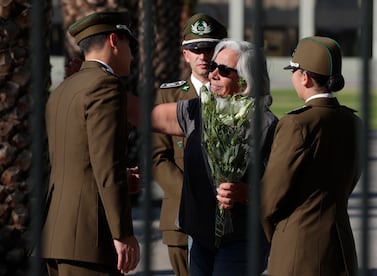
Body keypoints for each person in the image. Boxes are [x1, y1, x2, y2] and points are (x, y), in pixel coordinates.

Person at [130, 39, 277, 275]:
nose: (213, 74)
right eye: (213, 67)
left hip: (242, 242)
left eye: (224, 70)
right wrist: (98, 82)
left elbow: (282, 187)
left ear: (245, 79)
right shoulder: (198, 110)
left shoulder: (266, 125)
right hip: (200, 239)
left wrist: (247, 193)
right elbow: (143, 116)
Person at [41, 10, 140, 276]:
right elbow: (107, 165)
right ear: (113, 41)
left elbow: (78, 160)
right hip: (89, 239)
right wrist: (123, 234)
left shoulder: (63, 90)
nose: (132, 54)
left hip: (57, 235)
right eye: (130, 44)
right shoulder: (106, 86)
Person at [261, 36, 362, 276]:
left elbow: (270, 197)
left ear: (304, 77)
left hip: (298, 247)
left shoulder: (296, 123)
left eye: (294, 71)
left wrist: (277, 233)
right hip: (341, 245)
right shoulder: (354, 122)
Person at [152, 13, 227, 276]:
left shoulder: (239, 95)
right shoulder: (168, 95)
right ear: (185, 54)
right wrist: (193, 193)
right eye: (195, 49)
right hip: (180, 217)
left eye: (210, 48)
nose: (203, 56)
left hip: (227, 218)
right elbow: (157, 157)